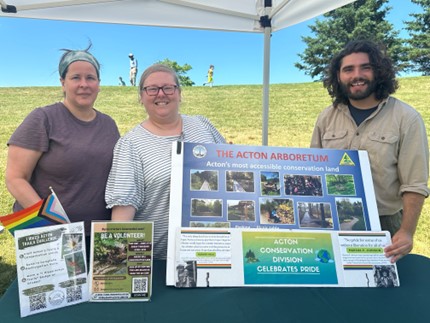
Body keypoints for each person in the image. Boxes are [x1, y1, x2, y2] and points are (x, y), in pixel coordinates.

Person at [310, 39, 429, 263]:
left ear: (379, 72)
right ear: (338, 76)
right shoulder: (326, 117)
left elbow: (415, 183)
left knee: (382, 294)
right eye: (348, 69)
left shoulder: (406, 118)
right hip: (331, 221)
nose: (357, 75)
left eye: (365, 67)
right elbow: (314, 170)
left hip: (384, 224)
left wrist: (406, 232)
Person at [105, 64, 226, 259]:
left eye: (168, 88)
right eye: (152, 89)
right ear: (141, 97)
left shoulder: (203, 125)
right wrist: (119, 267)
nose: (161, 94)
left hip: (214, 251)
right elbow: (123, 208)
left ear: (179, 93)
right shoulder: (130, 144)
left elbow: (232, 167)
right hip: (158, 261)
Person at [6, 45, 120, 239]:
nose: (84, 84)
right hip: (48, 234)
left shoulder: (109, 124)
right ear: (63, 82)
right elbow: (15, 178)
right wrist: (53, 225)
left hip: (97, 235)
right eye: (75, 77)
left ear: (98, 84)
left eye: (90, 78)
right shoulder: (43, 118)